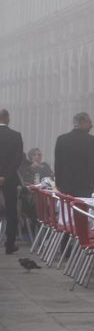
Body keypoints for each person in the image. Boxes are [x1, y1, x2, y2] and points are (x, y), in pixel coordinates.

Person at [54, 112, 94, 197]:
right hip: (83, 187)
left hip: (65, 185)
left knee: (65, 205)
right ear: (82, 123)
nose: (91, 125)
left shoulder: (61, 139)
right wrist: (91, 184)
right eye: (89, 122)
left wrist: (58, 184)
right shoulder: (90, 140)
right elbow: (93, 165)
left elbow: (58, 164)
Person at [0, 109, 23, 254]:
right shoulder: (15, 136)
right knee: (11, 212)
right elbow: (17, 159)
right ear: (7, 118)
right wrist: (5, 176)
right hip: (9, 179)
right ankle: (9, 245)